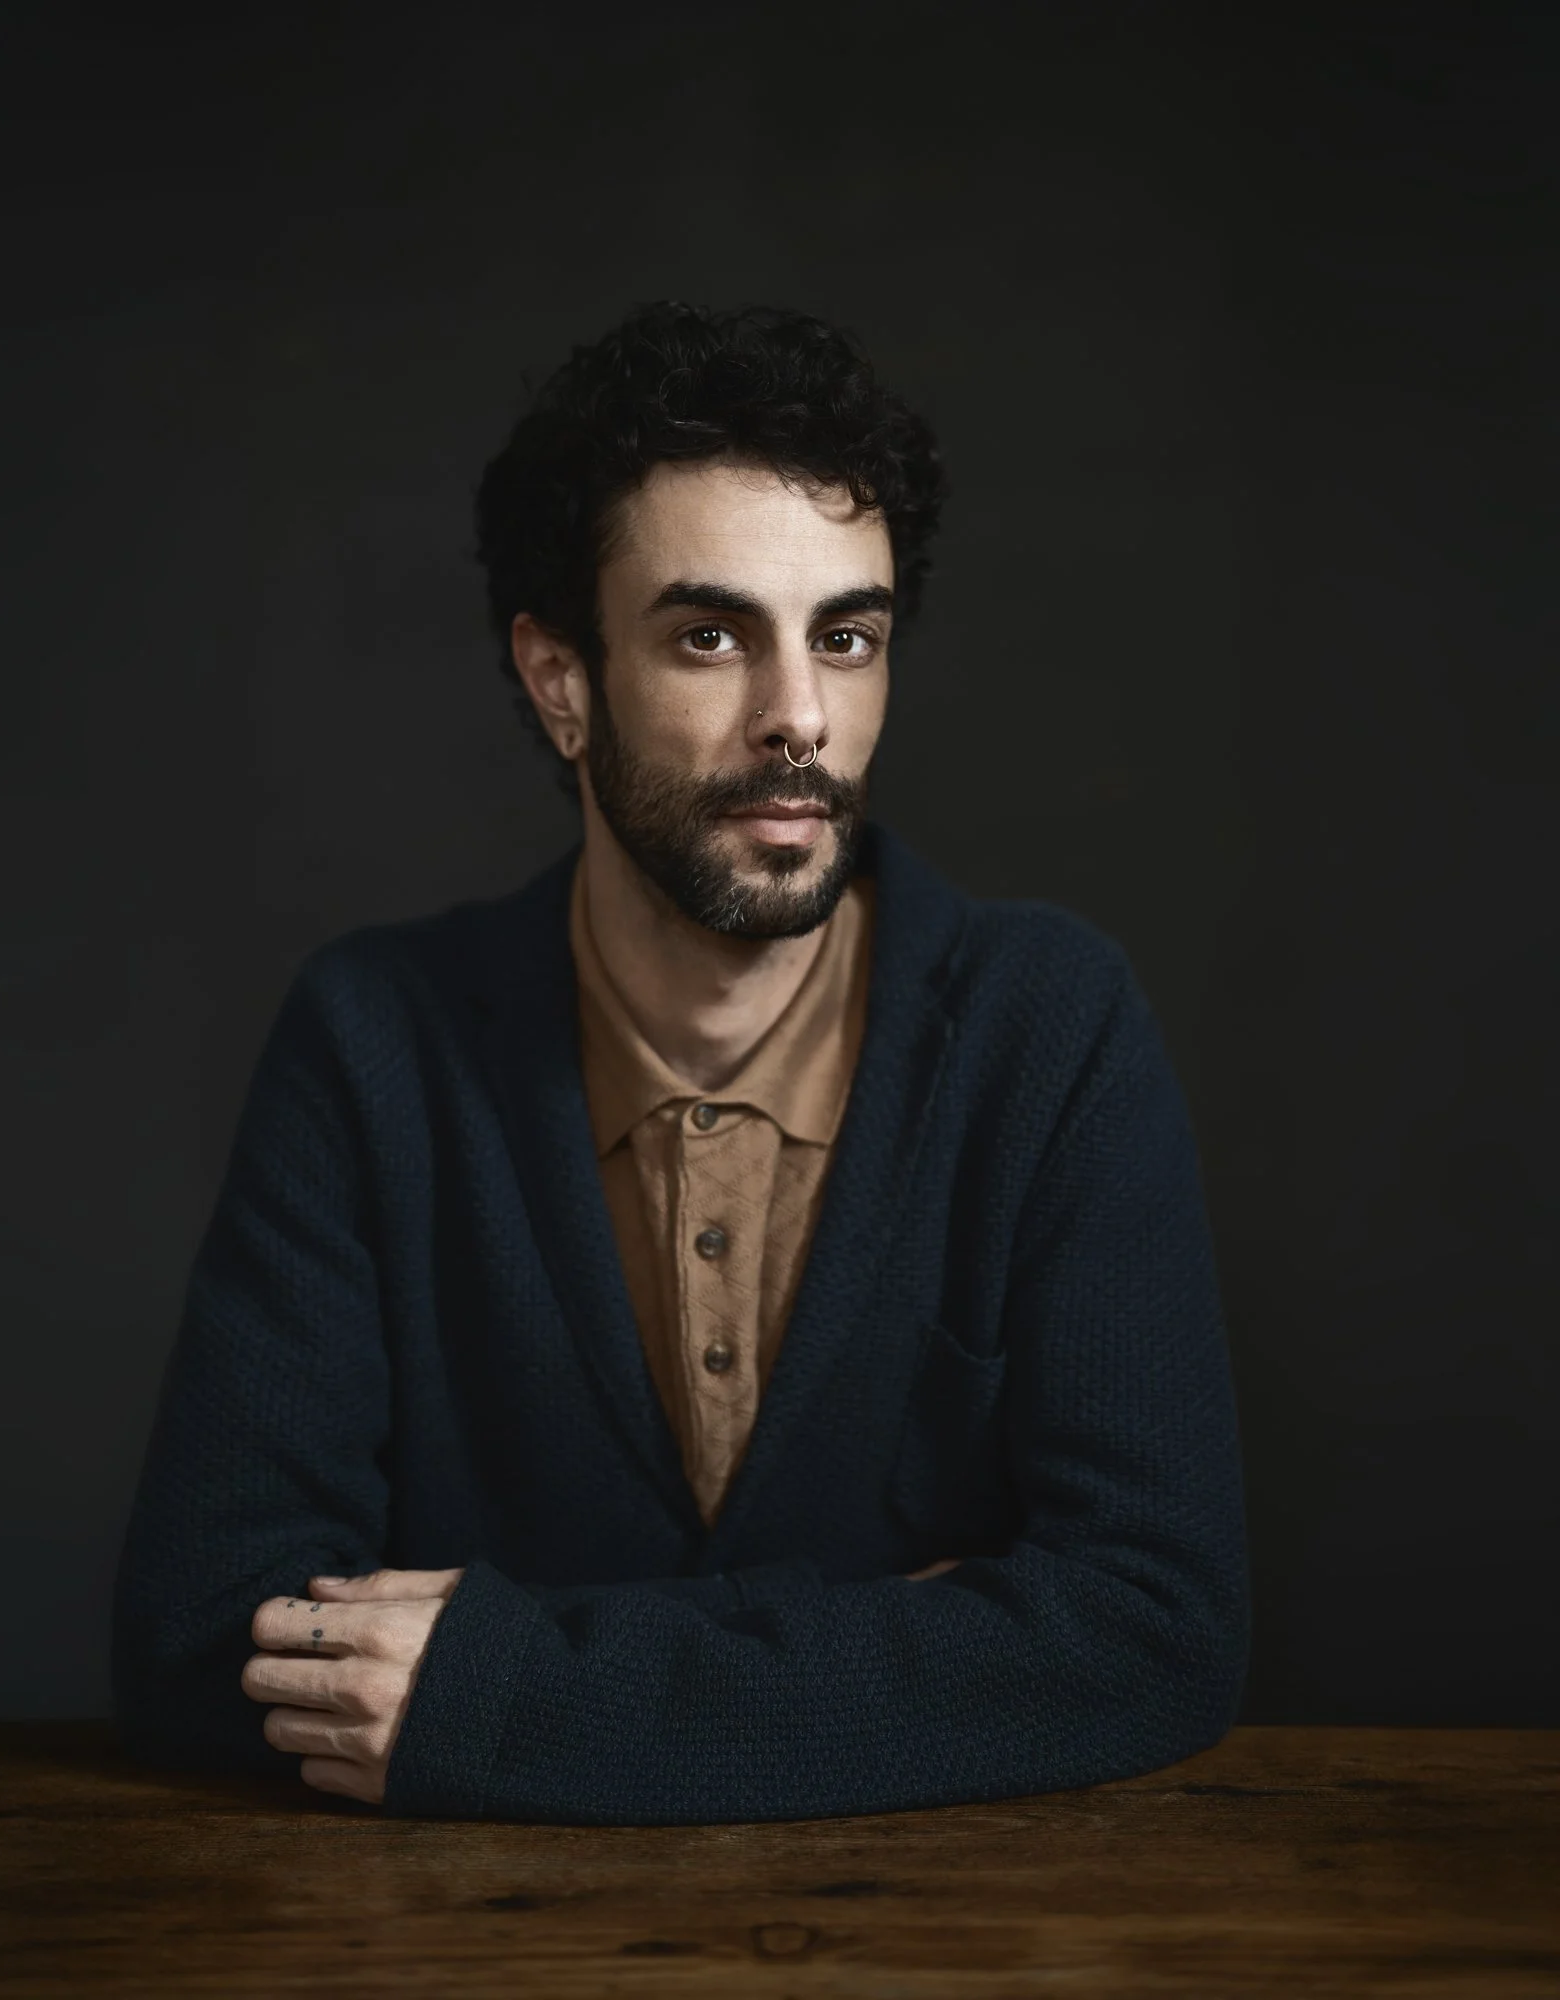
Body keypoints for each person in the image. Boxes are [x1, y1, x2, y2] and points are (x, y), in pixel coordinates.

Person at [111, 302, 1250, 1824]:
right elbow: (203, 1635)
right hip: (458, 1942)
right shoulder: (376, 1040)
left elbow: (1156, 1632)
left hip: (945, 1936)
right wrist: (924, 1634)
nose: (799, 718)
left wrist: (508, 1690)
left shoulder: (1048, 1028)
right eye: (711, 636)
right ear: (561, 681)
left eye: (845, 638)